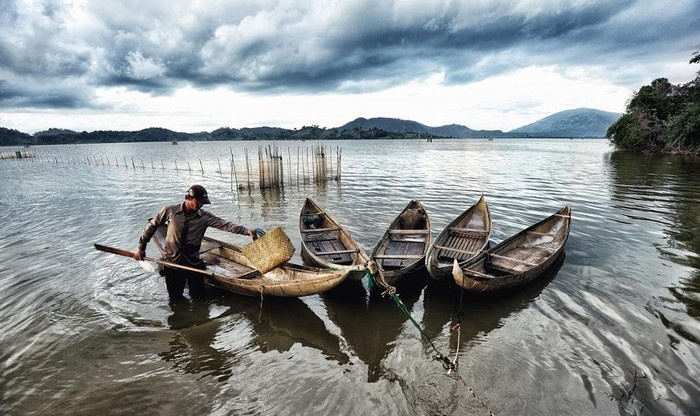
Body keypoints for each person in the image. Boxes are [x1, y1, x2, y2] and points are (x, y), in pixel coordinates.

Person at [133, 184, 258, 302]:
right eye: (198, 202)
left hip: (193, 264)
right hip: (172, 263)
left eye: (202, 204)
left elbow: (225, 225)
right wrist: (141, 247)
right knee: (175, 299)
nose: (200, 206)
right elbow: (152, 226)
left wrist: (246, 231)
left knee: (200, 298)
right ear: (189, 198)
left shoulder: (205, 217)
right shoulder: (170, 211)